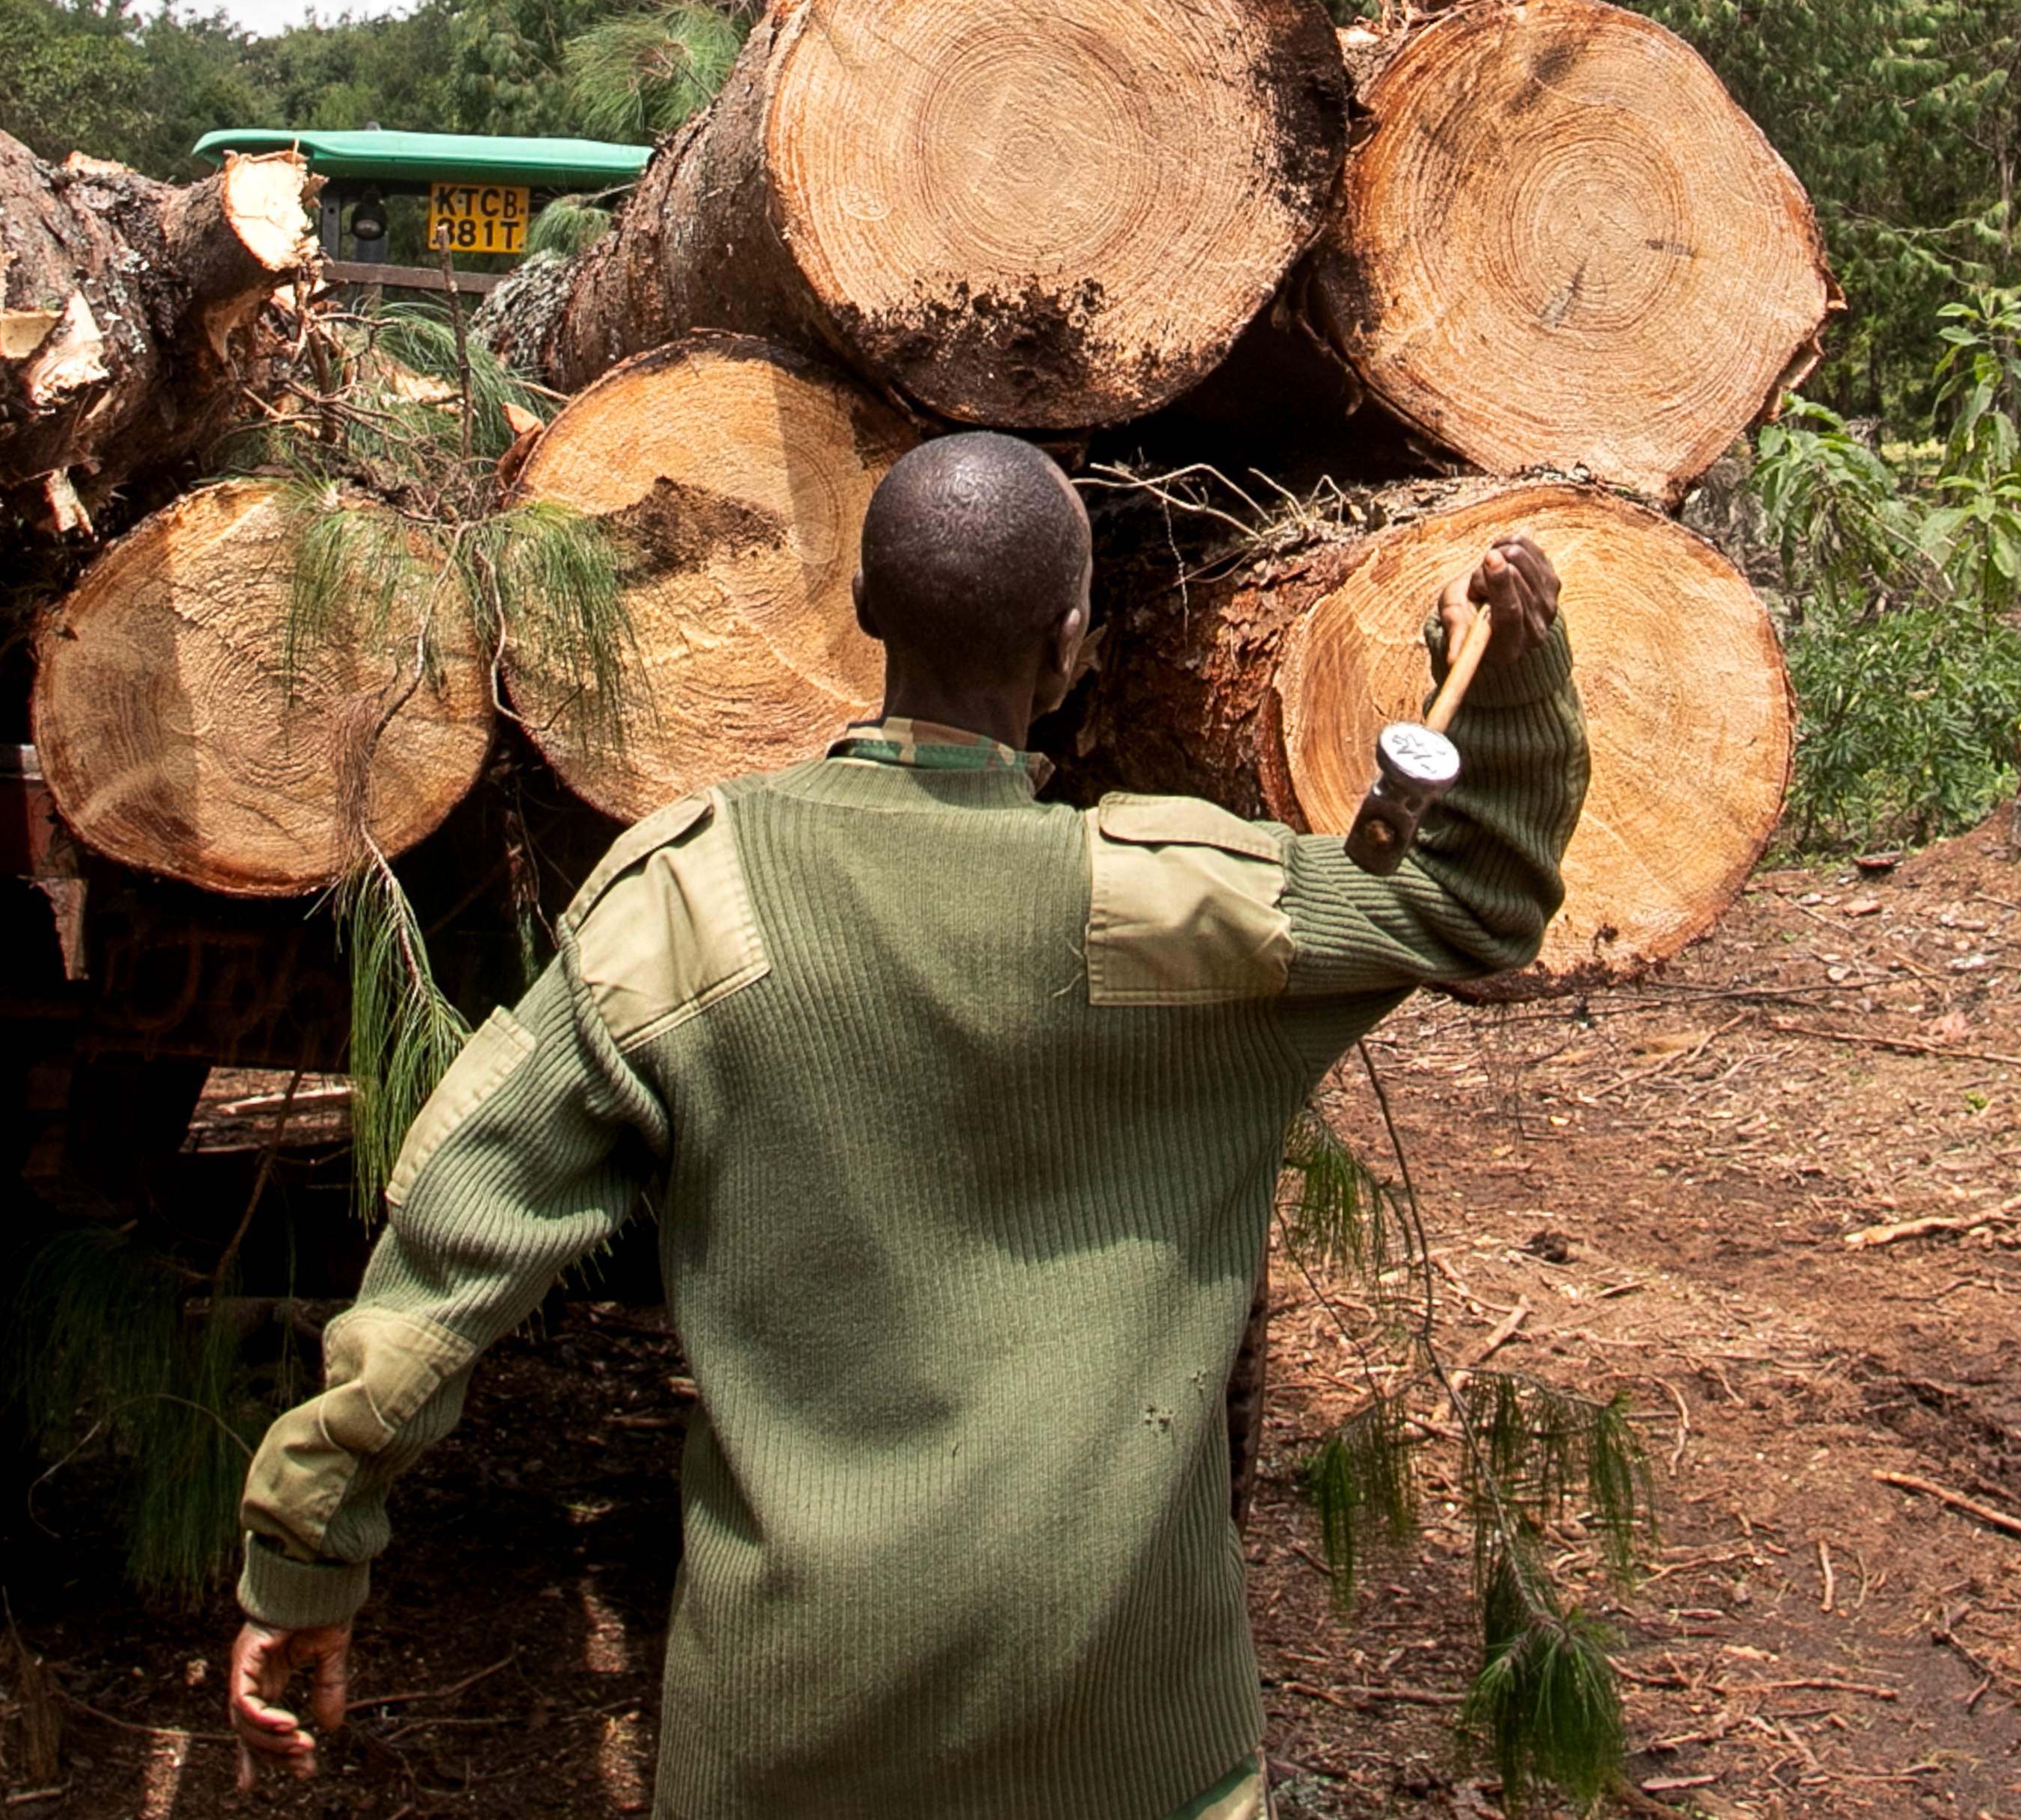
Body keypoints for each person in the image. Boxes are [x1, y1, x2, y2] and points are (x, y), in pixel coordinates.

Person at [224, 431, 1585, 1819]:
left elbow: (452, 1242)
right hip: (1129, 1746)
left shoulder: (692, 902)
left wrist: (308, 1551)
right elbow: (1477, 902)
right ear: (1069, 647)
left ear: (865, 613)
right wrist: (1512, 676)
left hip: (784, 1744)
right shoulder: (1184, 906)